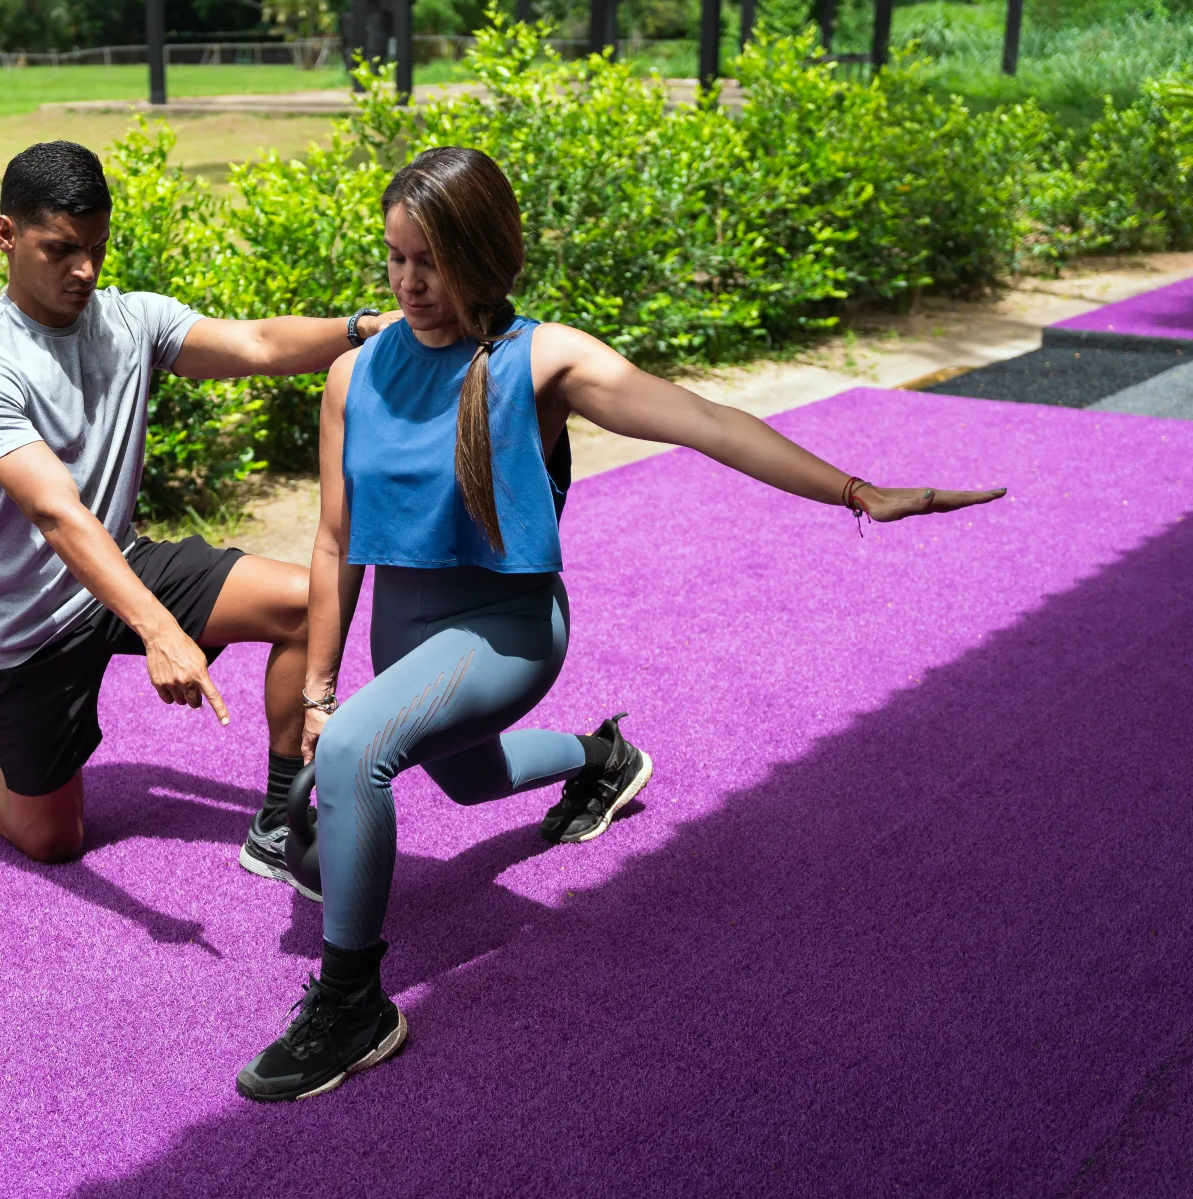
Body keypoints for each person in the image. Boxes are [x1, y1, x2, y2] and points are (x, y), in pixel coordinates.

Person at [235, 146, 1008, 1102]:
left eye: (430, 260)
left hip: (505, 636)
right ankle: (600, 761)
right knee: (469, 783)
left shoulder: (546, 360)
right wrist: (317, 687)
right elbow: (332, 544)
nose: (408, 283)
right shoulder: (356, 376)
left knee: (358, 756)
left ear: (486, 252)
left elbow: (704, 420)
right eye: (394, 258)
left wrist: (856, 490)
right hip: (407, 638)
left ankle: (354, 1005)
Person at [0, 141, 399, 895]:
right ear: (6, 236)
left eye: (98, 247)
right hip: (29, 619)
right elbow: (56, 512)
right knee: (53, 839)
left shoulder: (130, 321)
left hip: (121, 561)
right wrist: (160, 629)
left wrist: (363, 328)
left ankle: (277, 824)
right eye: (61, 250)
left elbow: (258, 344)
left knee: (309, 603)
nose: (85, 271)